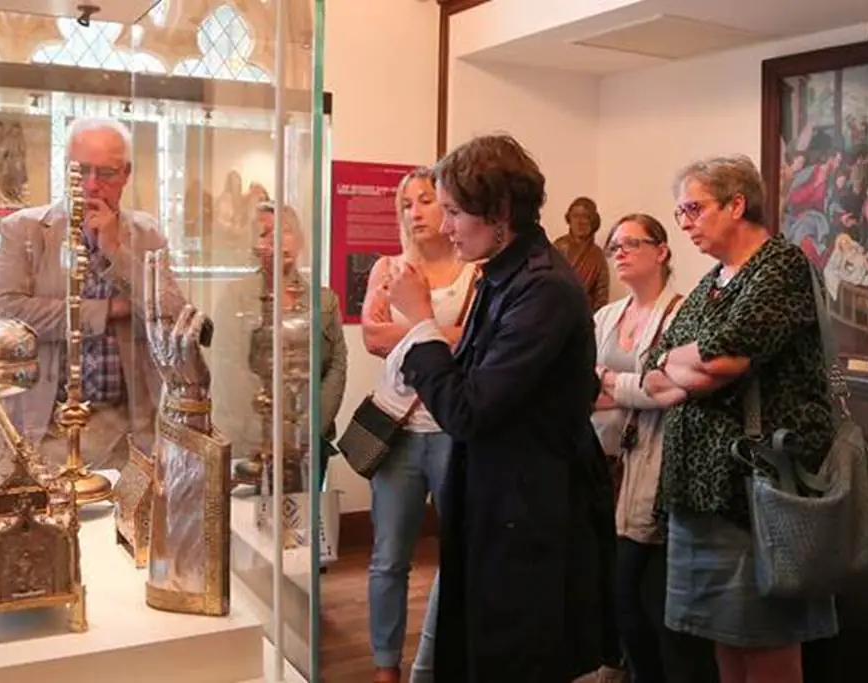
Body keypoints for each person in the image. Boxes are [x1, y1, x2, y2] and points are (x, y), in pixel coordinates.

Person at [387, 134, 618, 682]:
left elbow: (467, 409)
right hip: (502, 501)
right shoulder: (506, 272)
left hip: (529, 516)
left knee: (514, 658)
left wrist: (420, 324)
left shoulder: (543, 288)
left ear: (500, 212)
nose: (444, 227)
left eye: (453, 212)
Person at [641, 155, 838, 683]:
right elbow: (654, 369)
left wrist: (685, 364)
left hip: (755, 493)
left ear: (736, 204)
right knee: (723, 643)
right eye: (679, 211)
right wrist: (681, 363)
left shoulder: (780, 266)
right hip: (698, 493)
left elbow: (723, 360)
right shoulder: (712, 282)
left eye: (693, 208)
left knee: (767, 647)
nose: (683, 222)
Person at [0, 117, 185, 469]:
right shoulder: (24, 229)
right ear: (66, 171)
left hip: (128, 428)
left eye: (106, 173)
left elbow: (173, 315)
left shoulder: (147, 235)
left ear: (125, 174)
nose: (92, 185)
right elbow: (7, 313)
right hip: (46, 426)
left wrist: (115, 251)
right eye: (82, 171)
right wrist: (108, 310)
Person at [360, 167, 477, 683]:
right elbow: (371, 336)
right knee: (388, 557)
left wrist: (410, 322)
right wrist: (434, 329)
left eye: (426, 200)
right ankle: (386, 665)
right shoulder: (388, 266)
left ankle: (443, 655)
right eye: (406, 204)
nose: (416, 211)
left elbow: (472, 342)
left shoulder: (475, 271)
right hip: (398, 428)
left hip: (453, 427)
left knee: (462, 551)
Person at [592, 214, 718, 683]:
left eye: (631, 243)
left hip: (656, 459)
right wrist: (630, 386)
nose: (619, 252)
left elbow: (671, 389)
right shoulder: (606, 316)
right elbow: (583, 383)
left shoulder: (682, 313)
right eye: (614, 246)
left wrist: (611, 383)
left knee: (636, 589)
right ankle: (620, 663)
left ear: (662, 251)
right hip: (604, 459)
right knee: (611, 582)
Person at [210, 202, 347, 491]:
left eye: (285, 230)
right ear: (255, 244)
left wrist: (311, 426)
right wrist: (264, 430)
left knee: (301, 524)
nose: (276, 240)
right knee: (251, 526)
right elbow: (229, 366)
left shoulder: (323, 300)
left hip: (308, 440)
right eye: (265, 233)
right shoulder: (235, 297)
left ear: (299, 239)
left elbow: (335, 366)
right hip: (252, 442)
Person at [554, 196, 610, 309]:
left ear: (593, 221)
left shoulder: (597, 255)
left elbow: (601, 295)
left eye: (586, 217)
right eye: (575, 216)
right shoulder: (558, 246)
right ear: (569, 219)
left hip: (584, 316)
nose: (580, 222)